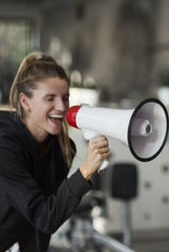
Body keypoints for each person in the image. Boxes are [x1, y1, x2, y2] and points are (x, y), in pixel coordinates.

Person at [0, 52, 110, 252]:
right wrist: (85, 171)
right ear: (25, 102)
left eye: (65, 98)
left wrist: (91, 168)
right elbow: (44, 216)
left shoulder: (62, 149)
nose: (61, 107)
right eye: (50, 98)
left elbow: (41, 224)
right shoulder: (5, 145)